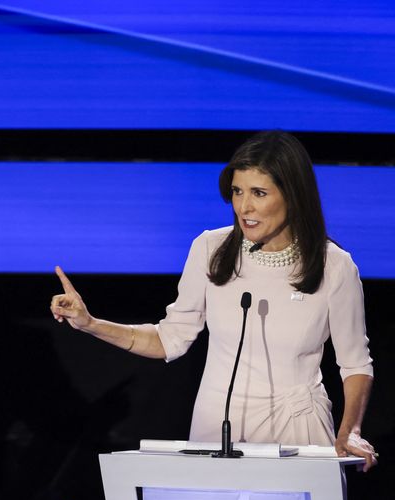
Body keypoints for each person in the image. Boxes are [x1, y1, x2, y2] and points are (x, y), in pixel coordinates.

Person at [50, 130, 377, 471]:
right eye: (237, 191)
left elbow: (355, 365)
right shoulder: (210, 249)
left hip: (297, 431)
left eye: (259, 193)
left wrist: (350, 432)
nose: (244, 207)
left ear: (293, 195)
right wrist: (90, 324)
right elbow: (169, 338)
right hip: (217, 428)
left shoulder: (335, 267)